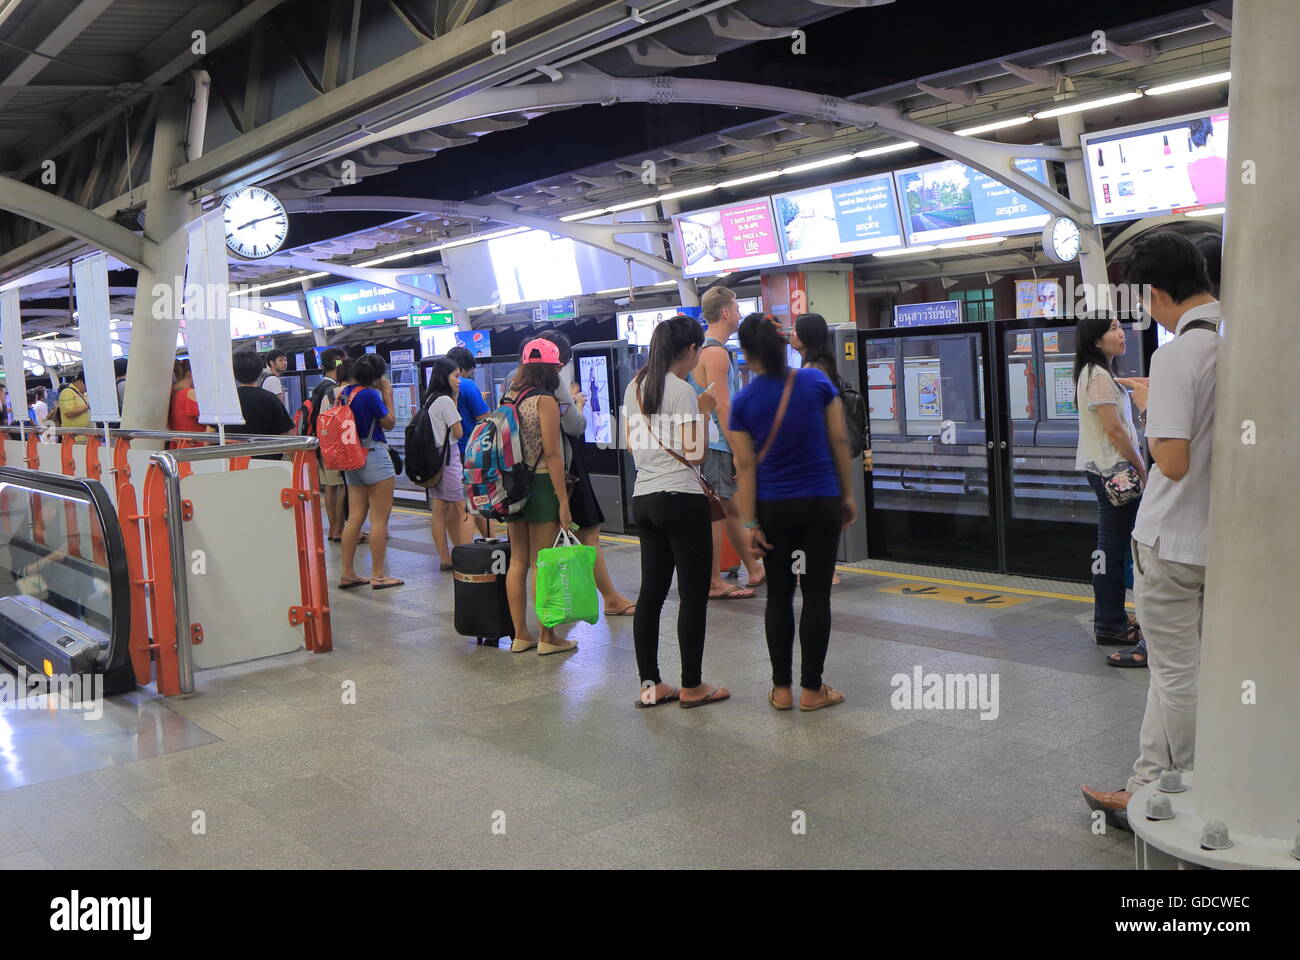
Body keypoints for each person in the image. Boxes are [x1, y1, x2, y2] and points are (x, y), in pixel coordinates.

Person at [1082, 233, 1220, 823]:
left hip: (1170, 539)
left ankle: (1176, 789)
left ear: (1159, 293)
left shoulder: (1175, 356)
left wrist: (1147, 406)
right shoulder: (1240, 342)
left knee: (1172, 671)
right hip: (1222, 540)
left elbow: (1174, 460)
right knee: (1195, 667)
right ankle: (1154, 782)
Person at [731, 314, 855, 712]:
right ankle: (812, 690)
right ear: (783, 345)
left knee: (779, 596)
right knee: (817, 595)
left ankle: (781, 690)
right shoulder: (816, 382)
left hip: (773, 508)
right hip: (820, 500)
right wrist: (846, 495)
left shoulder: (743, 401)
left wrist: (750, 522)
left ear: (747, 355)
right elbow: (838, 438)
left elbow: (746, 467)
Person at [624, 315, 729, 708]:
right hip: (681, 499)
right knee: (692, 595)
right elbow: (696, 453)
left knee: (650, 595)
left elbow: (634, 448)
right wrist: (703, 410)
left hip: (644, 498)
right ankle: (692, 685)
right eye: (697, 349)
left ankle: (650, 687)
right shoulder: (682, 390)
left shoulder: (634, 387)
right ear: (688, 350)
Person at [505, 331, 637, 617]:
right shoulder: (549, 385)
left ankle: (520, 634)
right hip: (554, 473)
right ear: (558, 361)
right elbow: (572, 429)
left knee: (519, 560)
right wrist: (578, 404)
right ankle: (550, 632)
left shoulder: (510, 382)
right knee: (578, 538)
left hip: (514, 477)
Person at [1073, 315, 1146, 667]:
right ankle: (1111, 624)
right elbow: (1115, 431)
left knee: (1111, 547)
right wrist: (1141, 466)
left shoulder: (1097, 374)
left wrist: (1134, 384)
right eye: (1114, 329)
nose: (1122, 333)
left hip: (1102, 470)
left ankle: (1111, 619)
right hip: (1113, 472)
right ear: (1096, 341)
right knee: (1115, 549)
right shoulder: (1098, 376)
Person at [500, 339, 576, 656]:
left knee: (517, 562)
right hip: (542, 485)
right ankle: (547, 637)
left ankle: (520, 635)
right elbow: (553, 454)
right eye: (557, 368)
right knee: (541, 563)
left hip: (511, 485)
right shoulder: (544, 401)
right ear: (550, 368)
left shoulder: (509, 397)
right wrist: (563, 500)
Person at [688, 285, 765, 599]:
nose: (739, 314)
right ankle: (714, 580)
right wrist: (737, 450)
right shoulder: (716, 353)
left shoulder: (699, 351)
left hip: (706, 442)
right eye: (736, 308)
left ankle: (754, 567)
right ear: (725, 313)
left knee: (729, 510)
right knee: (720, 512)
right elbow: (722, 405)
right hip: (718, 444)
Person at [790, 312, 853, 585]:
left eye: (794, 330)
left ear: (806, 337)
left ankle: (811, 571)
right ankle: (826, 569)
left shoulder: (810, 372)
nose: (790, 334)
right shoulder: (825, 368)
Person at [335, 354, 401, 591]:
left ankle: (347, 573)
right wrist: (388, 394)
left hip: (351, 457)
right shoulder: (370, 395)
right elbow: (390, 422)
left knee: (354, 517)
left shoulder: (343, 393)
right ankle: (379, 575)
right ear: (377, 376)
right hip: (373, 455)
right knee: (379, 519)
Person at [423, 357, 469, 571]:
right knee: (463, 508)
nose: (459, 380)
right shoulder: (444, 401)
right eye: (456, 376)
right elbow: (458, 432)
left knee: (439, 509)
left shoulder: (430, 398)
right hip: (448, 460)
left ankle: (445, 557)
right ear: (445, 376)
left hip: (434, 459)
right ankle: (468, 555)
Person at [448, 345, 491, 540]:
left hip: (448, 452)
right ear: (464, 368)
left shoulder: (439, 386)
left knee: (453, 506)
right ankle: (470, 553)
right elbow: (484, 418)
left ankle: (456, 552)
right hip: (469, 450)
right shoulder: (466, 385)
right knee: (474, 504)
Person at [310, 348, 347, 542]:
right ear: (338, 362)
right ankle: (337, 528)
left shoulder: (319, 387)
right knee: (340, 486)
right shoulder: (331, 389)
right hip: (333, 445)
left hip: (320, 443)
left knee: (330, 487)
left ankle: (334, 528)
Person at [231, 352, 295, 449]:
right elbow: (288, 435)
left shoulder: (227, 401)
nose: (284, 363)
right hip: (267, 458)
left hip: (233, 459)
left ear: (234, 372)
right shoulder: (270, 399)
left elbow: (209, 436)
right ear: (260, 371)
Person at [167, 358, 208, 436]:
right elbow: (210, 420)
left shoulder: (169, 392)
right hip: (197, 444)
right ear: (191, 374)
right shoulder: (189, 393)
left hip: (178, 444)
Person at [55, 372, 91, 439]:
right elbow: (69, 413)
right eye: (87, 385)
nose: (87, 388)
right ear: (80, 382)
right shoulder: (67, 392)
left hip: (86, 437)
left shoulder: (83, 393)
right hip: (74, 438)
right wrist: (87, 406)